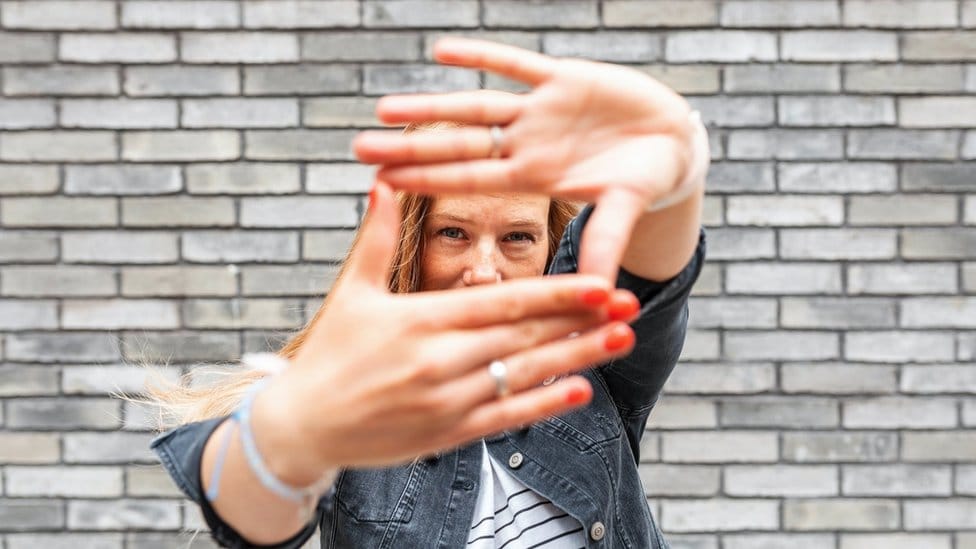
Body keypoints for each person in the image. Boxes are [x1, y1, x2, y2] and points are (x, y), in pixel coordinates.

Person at [148, 37, 708, 548]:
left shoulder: (587, 355)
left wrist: (678, 168)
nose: (484, 271)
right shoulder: (354, 388)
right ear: (411, 243)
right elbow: (249, 505)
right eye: (453, 234)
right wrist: (292, 436)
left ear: (548, 247)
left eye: (517, 237)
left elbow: (649, 267)